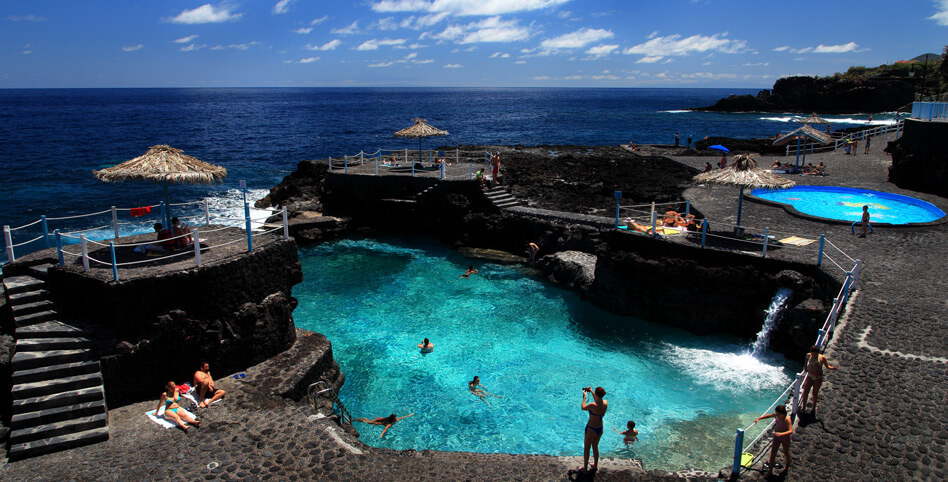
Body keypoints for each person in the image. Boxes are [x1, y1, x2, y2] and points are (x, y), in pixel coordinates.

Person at [754, 405, 793, 475]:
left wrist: (781, 434)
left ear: (783, 414)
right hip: (777, 437)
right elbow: (769, 416)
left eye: (778, 414)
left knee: (786, 452)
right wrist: (759, 418)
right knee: (773, 453)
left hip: (785, 438)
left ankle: (788, 464)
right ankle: (770, 470)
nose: (777, 415)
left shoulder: (787, 419)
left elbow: (791, 430)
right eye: (776, 414)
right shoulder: (776, 415)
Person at [800, 345, 838, 414]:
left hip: (818, 378)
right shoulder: (808, 355)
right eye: (812, 354)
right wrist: (805, 367)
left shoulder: (822, 358)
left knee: (815, 393)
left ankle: (813, 408)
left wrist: (832, 368)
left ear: (818, 353)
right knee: (805, 392)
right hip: (810, 376)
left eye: (815, 354)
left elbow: (827, 366)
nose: (813, 355)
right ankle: (803, 407)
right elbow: (806, 362)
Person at [580, 386, 607, 472]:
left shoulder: (592, 405)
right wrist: (591, 391)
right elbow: (598, 402)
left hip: (591, 429)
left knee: (587, 448)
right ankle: (595, 465)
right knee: (595, 447)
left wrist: (584, 397)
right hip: (599, 428)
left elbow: (583, 407)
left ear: (596, 394)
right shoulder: (605, 403)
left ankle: (585, 468)